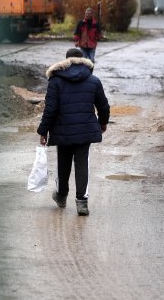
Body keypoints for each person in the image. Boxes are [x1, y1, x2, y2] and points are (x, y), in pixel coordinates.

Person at [37, 47, 110, 216]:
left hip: (62, 130)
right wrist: (103, 122)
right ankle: (82, 203)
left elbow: (50, 109)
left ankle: (62, 196)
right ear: (82, 60)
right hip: (85, 129)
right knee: (82, 164)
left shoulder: (55, 81)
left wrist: (43, 131)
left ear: (66, 61)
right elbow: (103, 106)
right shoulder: (93, 80)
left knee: (64, 163)